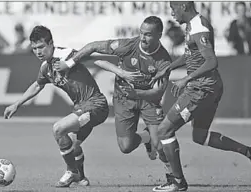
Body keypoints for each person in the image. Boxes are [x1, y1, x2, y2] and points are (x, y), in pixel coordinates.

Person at [150, 2, 251, 192]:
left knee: (164, 131)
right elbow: (190, 55)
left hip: (201, 89)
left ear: (184, 7)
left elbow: (211, 60)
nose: (171, 13)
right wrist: (168, 68)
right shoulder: (192, 24)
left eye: (174, 8)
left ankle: (177, 182)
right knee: (200, 136)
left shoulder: (199, 26)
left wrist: (186, 78)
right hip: (208, 88)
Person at [54, 16, 176, 179]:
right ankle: (145, 137)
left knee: (159, 145)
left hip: (148, 101)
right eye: (141, 33)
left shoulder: (164, 61)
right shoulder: (127, 45)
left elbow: (158, 93)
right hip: (123, 100)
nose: (142, 37)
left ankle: (173, 177)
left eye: (148, 34)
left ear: (159, 35)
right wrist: (69, 64)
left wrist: (138, 93)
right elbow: (93, 47)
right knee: (126, 146)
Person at [3, 25, 109, 188]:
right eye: (34, 48)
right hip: (81, 107)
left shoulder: (65, 55)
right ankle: (80, 177)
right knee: (71, 146)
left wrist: (120, 71)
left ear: (51, 43)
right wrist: (17, 104)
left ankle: (71, 171)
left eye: (41, 47)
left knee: (58, 129)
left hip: (96, 104)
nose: (38, 52)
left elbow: (91, 57)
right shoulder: (46, 67)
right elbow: (38, 85)